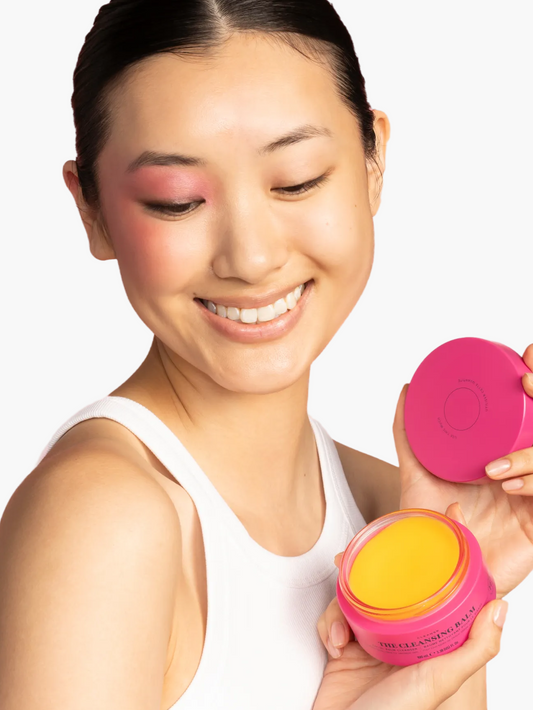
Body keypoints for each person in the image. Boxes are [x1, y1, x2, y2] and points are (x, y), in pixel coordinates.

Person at [4, 0, 533, 708]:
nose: (251, 258)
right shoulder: (104, 518)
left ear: (373, 162)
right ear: (91, 211)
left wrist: (442, 603)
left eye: (297, 180)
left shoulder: (394, 509)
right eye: (176, 201)